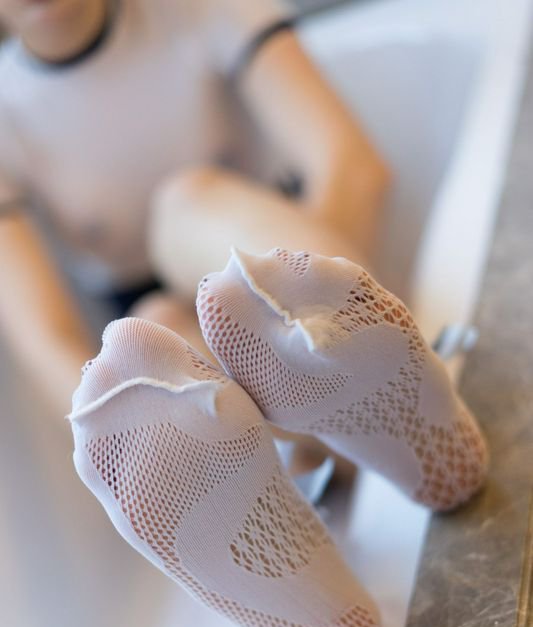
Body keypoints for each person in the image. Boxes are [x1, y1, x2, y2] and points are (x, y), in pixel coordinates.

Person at [0, 0, 390, 415]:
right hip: (181, 336)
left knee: (187, 202)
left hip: (284, 258)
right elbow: (47, 342)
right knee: (157, 328)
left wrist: (303, 331)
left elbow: (355, 170)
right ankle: (339, 398)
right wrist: (123, 431)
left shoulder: (199, 10)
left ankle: (340, 360)